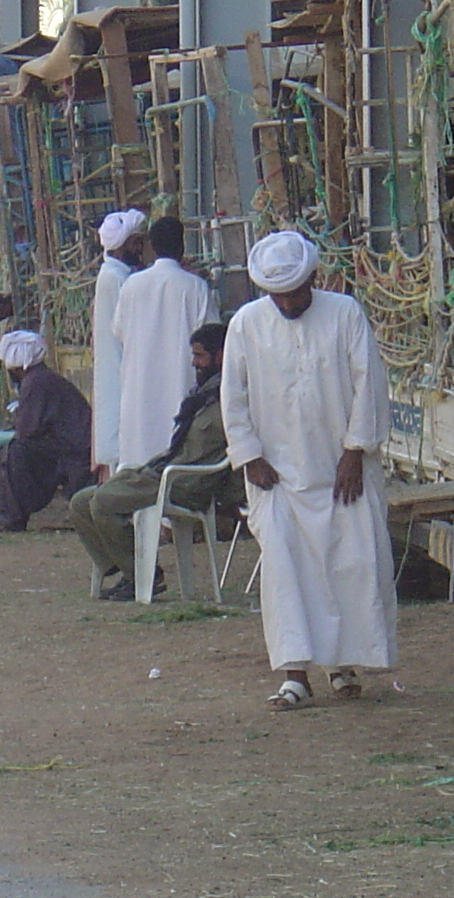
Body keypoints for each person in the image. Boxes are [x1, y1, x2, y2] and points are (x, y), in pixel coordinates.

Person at [223, 230, 396, 711]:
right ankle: (294, 675)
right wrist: (249, 455)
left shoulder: (344, 313)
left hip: (343, 469)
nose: (289, 303)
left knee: (351, 565)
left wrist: (355, 450)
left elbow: (369, 383)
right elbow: (233, 397)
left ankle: (341, 662)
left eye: (296, 293)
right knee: (285, 572)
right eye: (279, 296)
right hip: (275, 475)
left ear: (314, 280)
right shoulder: (246, 324)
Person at [70, 323, 237, 601]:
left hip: (188, 483)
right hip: (164, 473)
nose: (194, 363)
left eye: (200, 356)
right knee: (80, 502)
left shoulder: (231, 397)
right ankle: (122, 566)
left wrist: (234, 498)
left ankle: (142, 577)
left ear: (221, 356)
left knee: (104, 502)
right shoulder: (203, 393)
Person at [113, 215, 219, 472]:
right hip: (181, 382)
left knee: (138, 466)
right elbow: (212, 335)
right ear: (181, 246)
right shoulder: (195, 287)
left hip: (140, 388)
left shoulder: (131, 286)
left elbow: (118, 332)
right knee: (176, 462)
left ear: (152, 246)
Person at [0, 331, 96, 532]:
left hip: (73, 452)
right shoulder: (43, 379)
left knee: (16, 452)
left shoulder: (36, 382)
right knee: (16, 450)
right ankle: (6, 513)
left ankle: (10, 516)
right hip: (69, 447)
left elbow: (28, 430)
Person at [89, 209, 147, 479]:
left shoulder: (116, 275)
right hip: (120, 371)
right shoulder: (117, 279)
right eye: (137, 242)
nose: (140, 248)